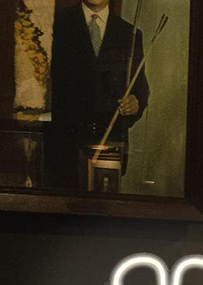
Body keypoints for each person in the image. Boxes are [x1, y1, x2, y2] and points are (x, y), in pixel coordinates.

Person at [47, 0, 150, 190]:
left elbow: (140, 89)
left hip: (110, 146)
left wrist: (135, 102)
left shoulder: (129, 33)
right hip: (64, 146)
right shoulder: (55, 23)